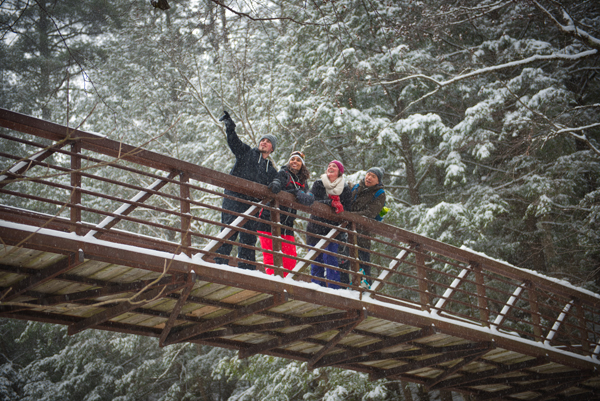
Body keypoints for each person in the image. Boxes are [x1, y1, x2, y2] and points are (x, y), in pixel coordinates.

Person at [214, 111, 278, 270]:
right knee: (228, 231)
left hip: (253, 205)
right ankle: (219, 265)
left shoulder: (270, 168)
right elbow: (234, 142)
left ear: (272, 149)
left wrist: (276, 182)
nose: (263, 142)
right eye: (262, 140)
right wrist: (230, 126)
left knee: (249, 237)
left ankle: (247, 270)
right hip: (233, 199)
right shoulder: (247, 152)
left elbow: (280, 180)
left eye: (268, 142)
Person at [257, 151, 314, 276]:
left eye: (298, 160)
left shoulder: (303, 181)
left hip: (287, 224)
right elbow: (278, 182)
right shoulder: (283, 173)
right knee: (271, 256)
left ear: (302, 165)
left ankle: (286, 285)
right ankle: (273, 283)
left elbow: (308, 197)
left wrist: (302, 194)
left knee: (291, 258)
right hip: (269, 219)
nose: (295, 161)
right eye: (292, 159)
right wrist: (278, 185)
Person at [306, 160, 352, 289]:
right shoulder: (319, 184)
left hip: (333, 230)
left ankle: (333, 291)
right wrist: (330, 203)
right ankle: (316, 289)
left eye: (334, 166)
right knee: (316, 262)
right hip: (315, 228)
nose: (330, 167)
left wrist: (340, 207)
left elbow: (347, 209)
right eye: (329, 166)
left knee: (331, 262)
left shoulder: (345, 189)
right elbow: (313, 201)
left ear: (340, 172)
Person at [350, 167, 386, 288]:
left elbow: (371, 213)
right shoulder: (356, 187)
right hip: (347, 228)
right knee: (346, 259)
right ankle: (348, 286)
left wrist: (351, 216)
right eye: (368, 174)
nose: (369, 177)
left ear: (378, 181)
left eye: (373, 176)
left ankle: (365, 290)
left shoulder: (380, 194)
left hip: (363, 232)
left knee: (363, 261)